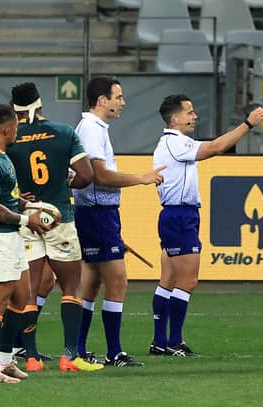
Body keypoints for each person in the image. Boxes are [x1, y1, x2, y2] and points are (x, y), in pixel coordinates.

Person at [149, 95, 263, 356]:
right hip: (181, 216)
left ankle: (160, 342)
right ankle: (173, 342)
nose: (195, 116)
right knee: (188, 281)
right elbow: (216, 147)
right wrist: (247, 124)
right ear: (175, 119)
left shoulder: (170, 143)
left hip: (174, 215)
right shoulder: (176, 142)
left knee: (169, 279)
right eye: (190, 112)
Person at [6, 82, 103, 373]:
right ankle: (69, 356)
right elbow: (86, 176)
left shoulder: (11, 137)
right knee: (70, 288)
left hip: (28, 218)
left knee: (30, 290)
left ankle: (32, 358)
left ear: (14, 109)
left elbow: (3, 183)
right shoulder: (63, 132)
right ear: (40, 103)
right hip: (60, 216)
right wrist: (64, 181)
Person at [73, 76, 165, 367]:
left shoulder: (93, 127)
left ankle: (79, 349)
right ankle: (113, 352)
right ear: (103, 101)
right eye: (118, 97)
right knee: (118, 281)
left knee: (91, 283)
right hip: (98, 212)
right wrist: (141, 178)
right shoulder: (90, 128)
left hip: (97, 213)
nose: (123, 102)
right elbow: (98, 175)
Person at [0, 104, 49, 383]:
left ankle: (5, 362)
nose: (18, 130)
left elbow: (9, 198)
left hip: (10, 237)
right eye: (16, 126)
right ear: (6, 128)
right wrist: (28, 221)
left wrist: (34, 206)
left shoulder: (2, 157)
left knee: (21, 297)